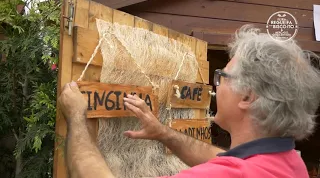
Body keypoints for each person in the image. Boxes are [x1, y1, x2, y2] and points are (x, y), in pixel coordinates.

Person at [58, 25, 320, 178]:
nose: (215, 84)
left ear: (248, 96)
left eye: (222, 76)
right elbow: (223, 158)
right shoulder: (287, 161)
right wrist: (162, 132)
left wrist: (78, 120)